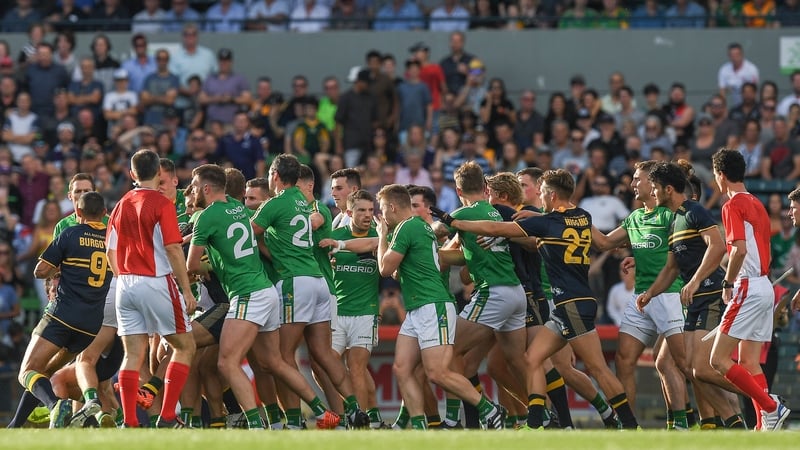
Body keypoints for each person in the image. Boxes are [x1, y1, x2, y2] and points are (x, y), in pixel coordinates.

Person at [431, 169, 639, 430]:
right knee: (531, 360)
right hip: (566, 302)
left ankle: (627, 424)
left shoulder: (545, 222)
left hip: (566, 301)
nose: (538, 197)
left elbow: (496, 227)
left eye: (541, 192)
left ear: (552, 195)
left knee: (596, 368)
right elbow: (606, 242)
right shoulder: (581, 217)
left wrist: (456, 221)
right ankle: (536, 423)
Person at [186, 163, 340, 429]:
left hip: (247, 294)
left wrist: (197, 261)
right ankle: (323, 412)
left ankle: (256, 425)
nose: (191, 190)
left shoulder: (206, 217)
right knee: (273, 362)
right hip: (267, 290)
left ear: (206, 188)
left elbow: (191, 266)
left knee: (226, 362)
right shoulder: (240, 211)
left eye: (194, 185)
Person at [250, 154, 367, 429]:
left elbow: (247, 232)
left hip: (294, 282)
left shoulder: (275, 203)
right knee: (324, 353)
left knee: (282, 356)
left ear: (275, 176)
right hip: (318, 280)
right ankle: (354, 409)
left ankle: (296, 419)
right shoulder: (305, 204)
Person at [376, 183, 506, 429]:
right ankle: (418, 428)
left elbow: (384, 269)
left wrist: (382, 236)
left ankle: (489, 409)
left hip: (432, 306)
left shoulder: (406, 227)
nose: (382, 215)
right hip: (418, 308)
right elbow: (396, 273)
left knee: (437, 373)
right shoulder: (419, 228)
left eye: (382, 209)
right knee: (402, 368)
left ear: (392, 207)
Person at [636, 161, 744, 430]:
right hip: (695, 301)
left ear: (668, 189)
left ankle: (762, 396)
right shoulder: (674, 221)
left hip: (711, 295)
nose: (653, 193)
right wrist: (650, 293)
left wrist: (695, 281)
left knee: (703, 368)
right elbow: (672, 267)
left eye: (656, 188)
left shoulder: (694, 211)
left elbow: (717, 247)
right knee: (695, 371)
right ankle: (733, 422)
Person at [591, 160, 691, 428]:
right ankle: (629, 425)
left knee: (680, 364)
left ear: (654, 183)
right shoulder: (635, 218)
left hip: (670, 296)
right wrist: (576, 217)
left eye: (638, 179)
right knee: (623, 360)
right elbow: (603, 243)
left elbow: (684, 251)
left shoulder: (670, 215)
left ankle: (686, 421)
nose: (633, 184)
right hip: (641, 299)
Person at [106, 149, 196, 428]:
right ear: (159, 172)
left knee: (133, 354)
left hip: (125, 284)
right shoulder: (161, 203)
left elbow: (110, 249)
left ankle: (130, 421)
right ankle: (167, 416)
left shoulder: (121, 203)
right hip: (156, 280)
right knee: (185, 346)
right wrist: (187, 289)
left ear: (132, 174)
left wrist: (123, 277)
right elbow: (172, 248)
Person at [709, 149, 790, 431]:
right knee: (749, 362)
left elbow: (739, 250)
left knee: (717, 360)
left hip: (747, 286)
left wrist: (728, 282)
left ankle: (771, 407)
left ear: (720, 175)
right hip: (764, 286)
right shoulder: (758, 203)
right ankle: (762, 425)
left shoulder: (731, 206)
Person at [17, 192, 111, 428]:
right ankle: (17, 425)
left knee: (26, 372)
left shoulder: (70, 233)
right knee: (44, 373)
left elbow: (40, 271)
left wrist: (61, 265)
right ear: (103, 214)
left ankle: (55, 405)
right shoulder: (112, 240)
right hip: (91, 326)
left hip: (63, 316)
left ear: (77, 213)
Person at [319, 189, 384, 428]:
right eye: (361, 210)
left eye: (370, 210)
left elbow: (371, 244)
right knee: (326, 366)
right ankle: (343, 412)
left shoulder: (378, 236)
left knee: (356, 368)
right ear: (348, 212)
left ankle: (359, 422)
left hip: (365, 312)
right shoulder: (333, 235)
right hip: (336, 311)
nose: (367, 215)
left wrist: (340, 247)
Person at [718, 43, 760, 108]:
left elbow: (755, 91)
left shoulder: (751, 69)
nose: (735, 58)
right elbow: (722, 92)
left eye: (737, 55)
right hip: (734, 105)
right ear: (729, 56)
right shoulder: (724, 69)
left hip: (750, 105)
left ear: (742, 55)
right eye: (732, 55)